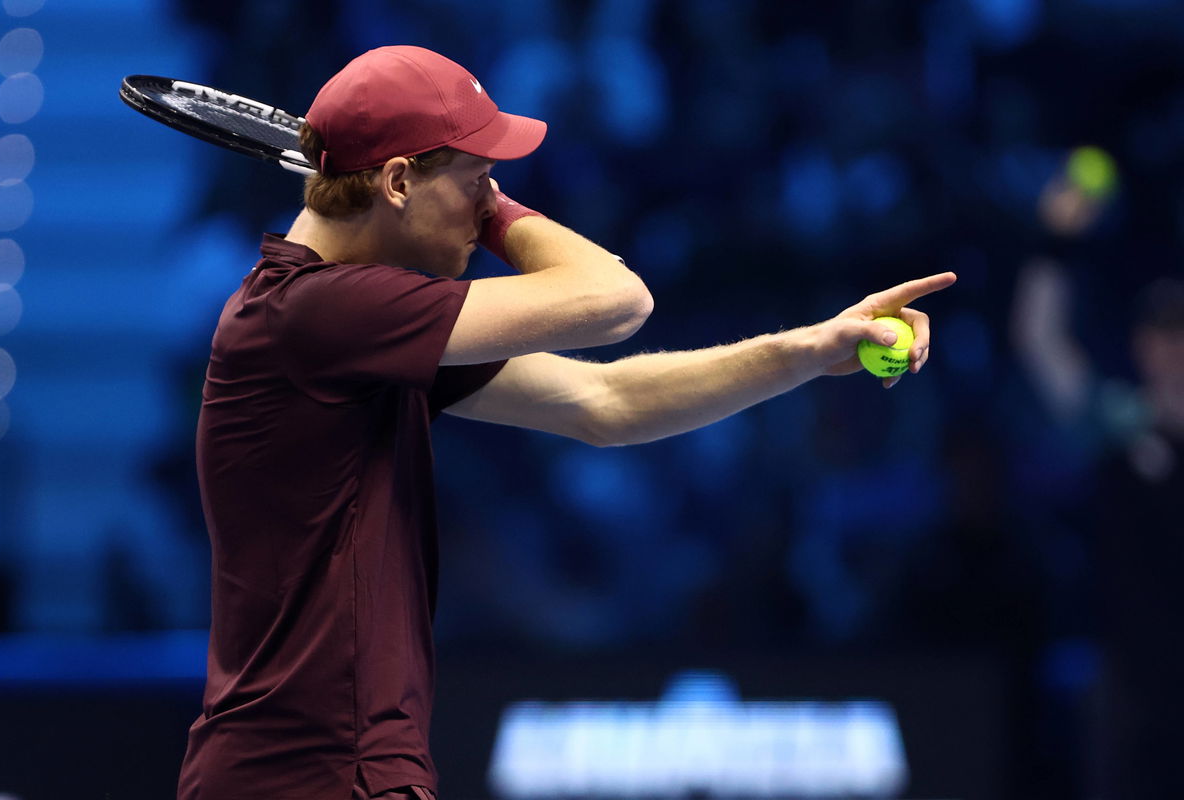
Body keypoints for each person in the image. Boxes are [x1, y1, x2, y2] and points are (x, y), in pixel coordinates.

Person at [176, 45, 955, 800]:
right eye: (477, 174)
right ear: (399, 180)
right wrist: (497, 217)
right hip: (304, 774)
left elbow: (606, 404)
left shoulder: (353, 322)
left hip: (330, 769)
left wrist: (811, 349)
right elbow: (617, 300)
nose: (491, 191)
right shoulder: (316, 313)